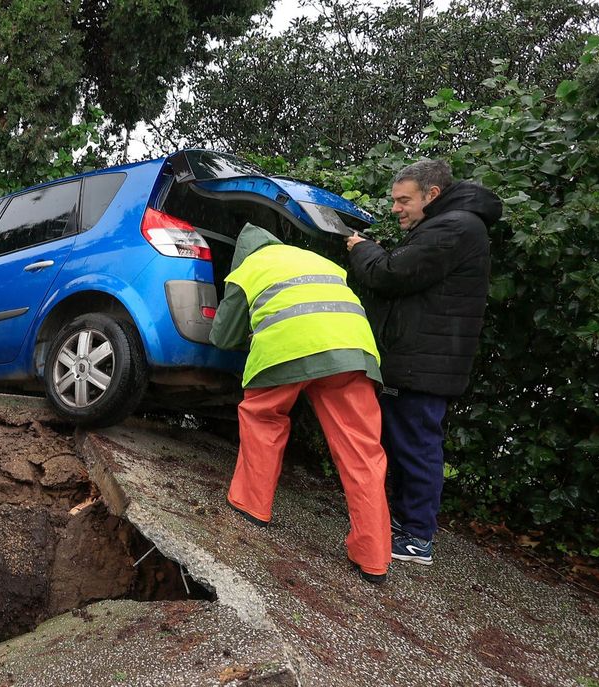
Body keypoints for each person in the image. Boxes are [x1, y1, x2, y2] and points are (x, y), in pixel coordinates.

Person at [212, 224, 391, 584]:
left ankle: (251, 507)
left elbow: (222, 337)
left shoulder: (247, 269)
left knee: (263, 419)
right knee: (363, 452)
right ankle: (374, 560)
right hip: (353, 353)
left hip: (288, 350)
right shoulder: (320, 261)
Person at [346, 160, 502, 566]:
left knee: (416, 448)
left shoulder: (454, 227)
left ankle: (416, 538)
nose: (396, 208)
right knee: (406, 446)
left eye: (404, 200)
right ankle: (405, 526)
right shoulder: (451, 225)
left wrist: (363, 249)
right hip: (420, 360)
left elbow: (392, 275)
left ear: (431, 195)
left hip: (424, 364)